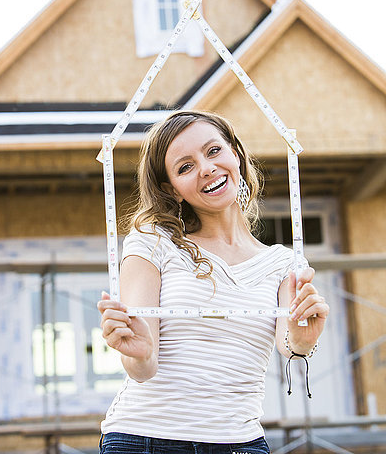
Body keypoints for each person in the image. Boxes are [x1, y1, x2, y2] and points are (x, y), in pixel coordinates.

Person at [97, 110, 329, 454]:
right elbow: (141, 368)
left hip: (240, 442)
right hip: (145, 439)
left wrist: (304, 337)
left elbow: (290, 343)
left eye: (214, 151)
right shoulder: (152, 242)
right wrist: (139, 353)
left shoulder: (283, 263)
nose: (206, 168)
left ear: (235, 153)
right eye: (185, 167)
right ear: (171, 190)